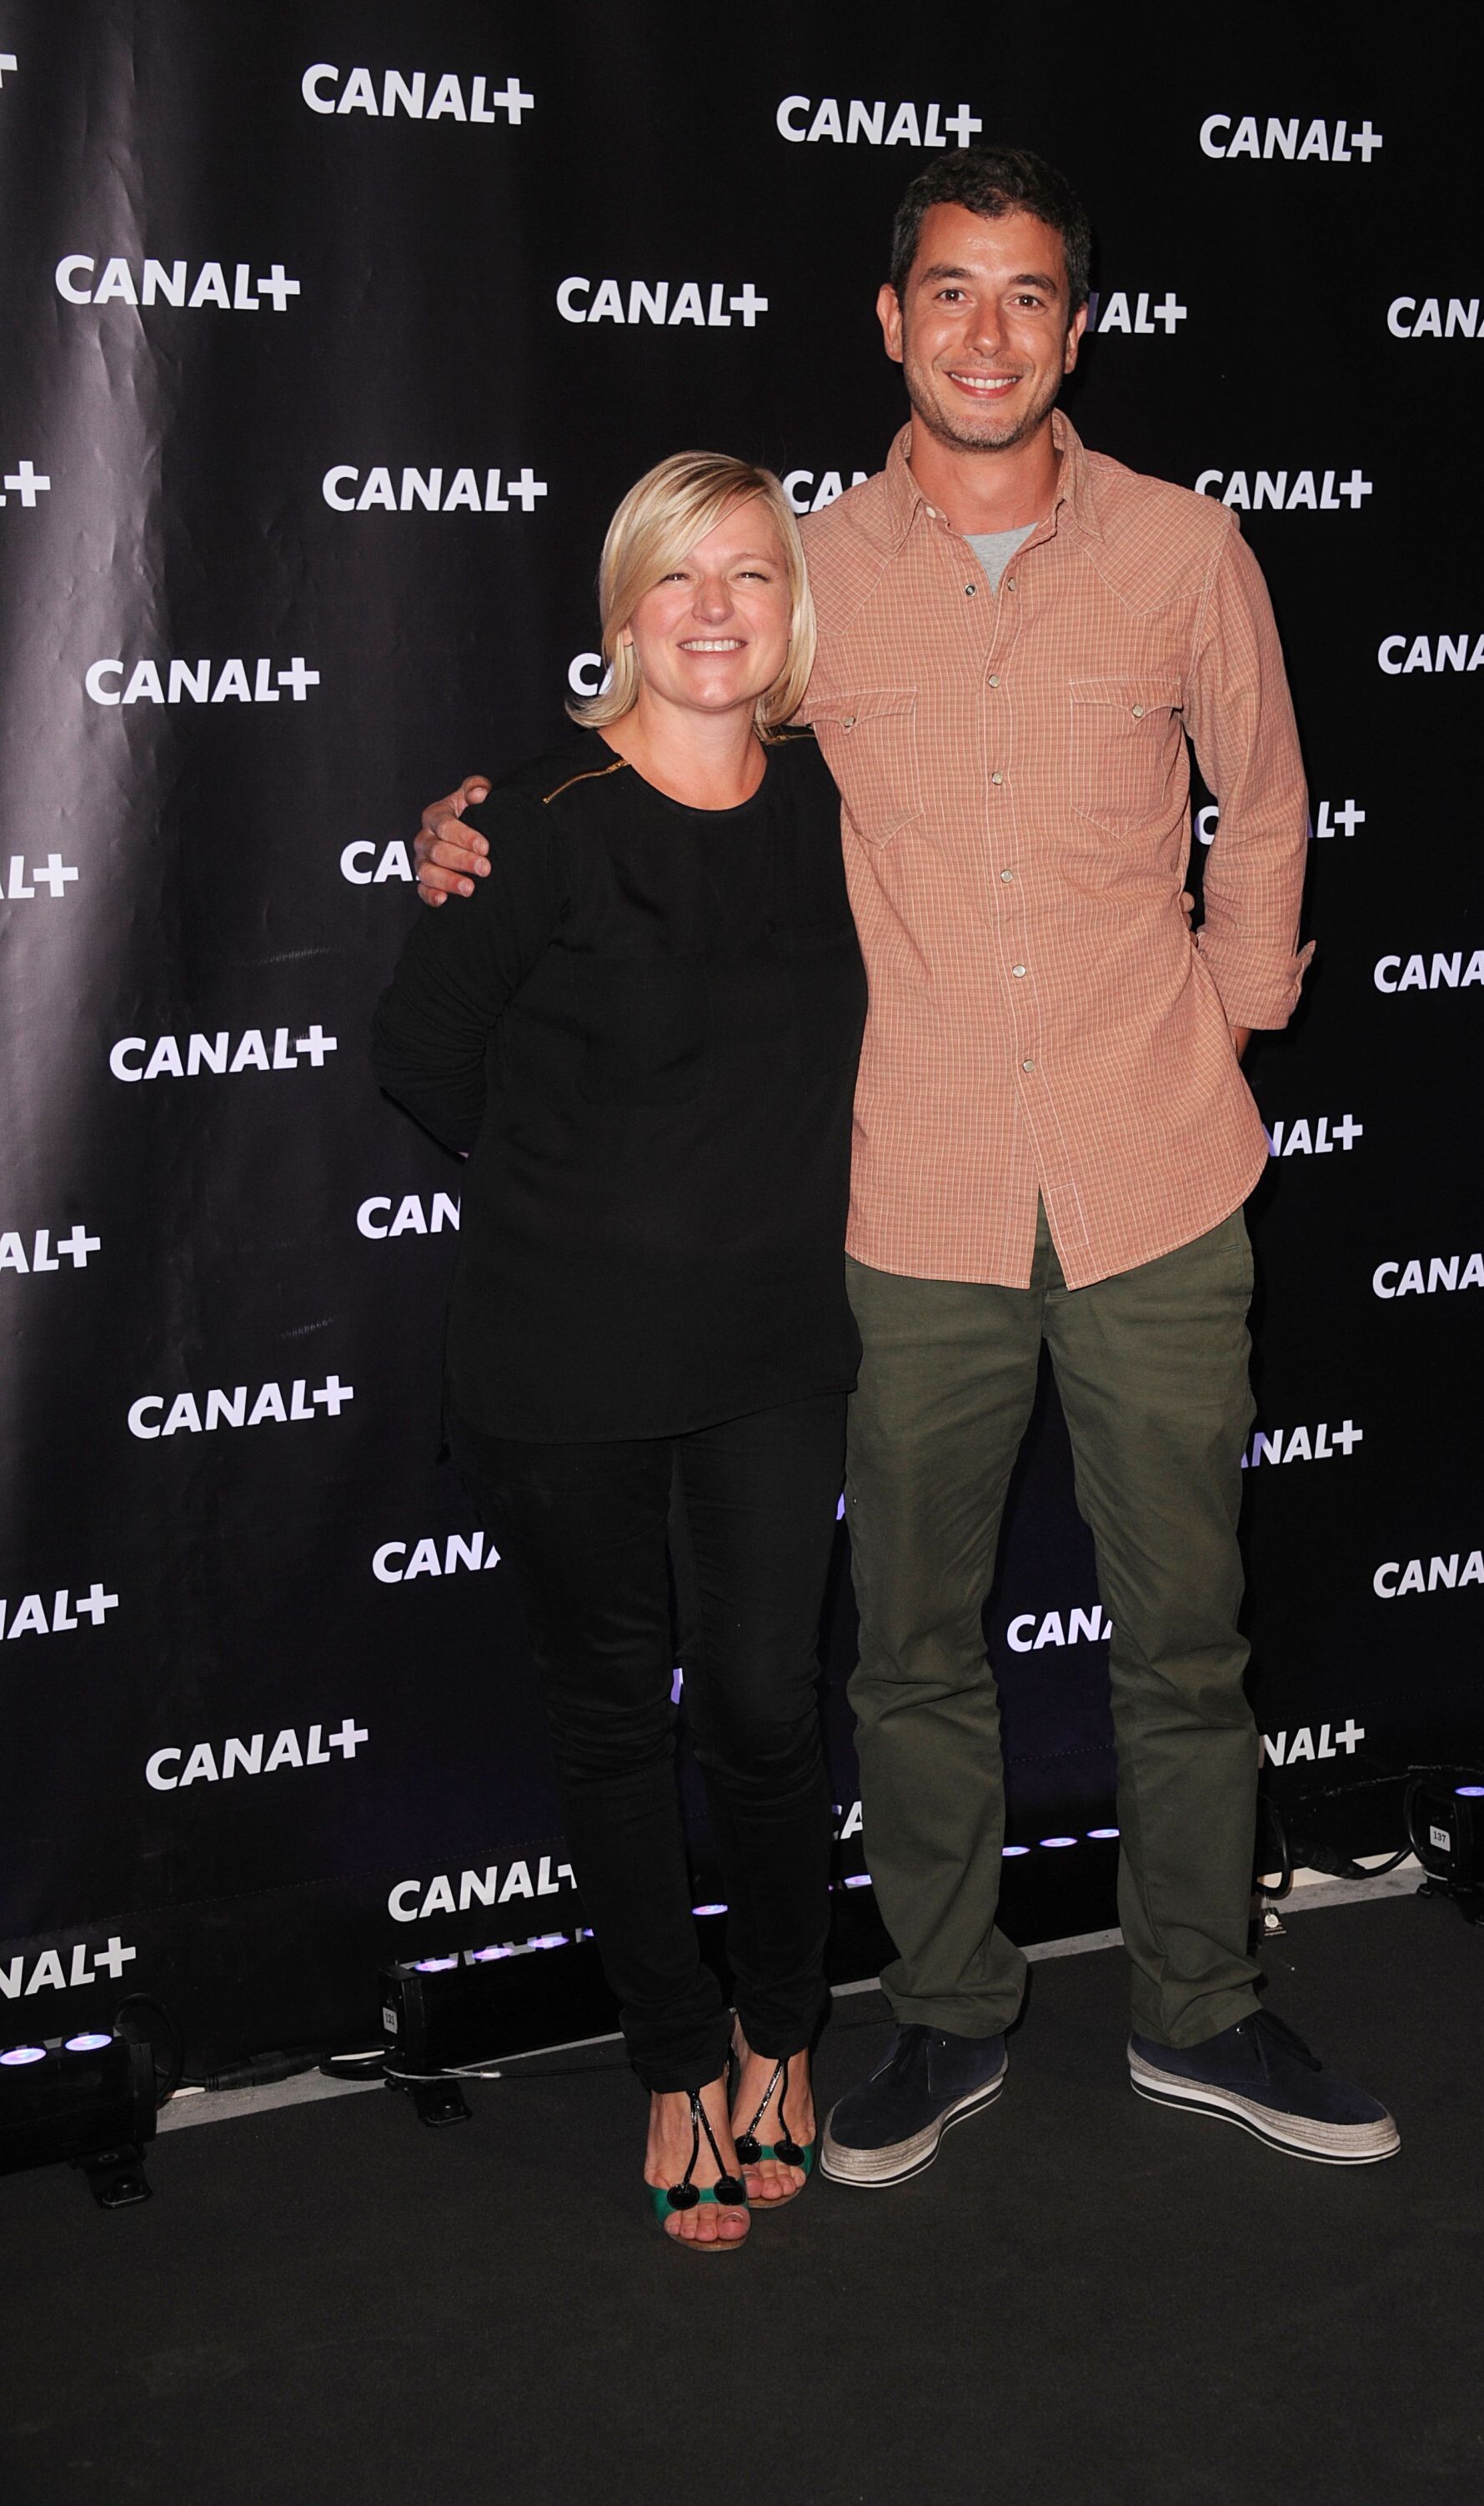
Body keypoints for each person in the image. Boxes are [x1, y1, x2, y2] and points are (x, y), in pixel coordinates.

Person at [410, 148, 1399, 2178]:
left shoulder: (1188, 546)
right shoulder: (806, 569)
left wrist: (1218, 1029)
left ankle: (1202, 2006)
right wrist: (483, 822)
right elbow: (668, 731)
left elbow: (1268, 801)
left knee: (1184, 1638)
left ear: (1076, 328)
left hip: (1157, 1180)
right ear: (890, 319)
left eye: (1026, 294)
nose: (985, 331)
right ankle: (945, 2017)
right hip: (902, 1201)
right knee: (911, 1652)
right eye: (950, 290)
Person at [372, 453, 867, 2247]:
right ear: (623, 613)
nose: (715, 608)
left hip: (774, 1348)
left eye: (751, 573)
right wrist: (586, 1184)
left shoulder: (842, 801)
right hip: (564, 1354)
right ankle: (671, 2060)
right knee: (609, 1716)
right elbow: (422, 1060)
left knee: (762, 1707)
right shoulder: (536, 822)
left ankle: (780, 2034)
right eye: (679, 576)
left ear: (791, 612)